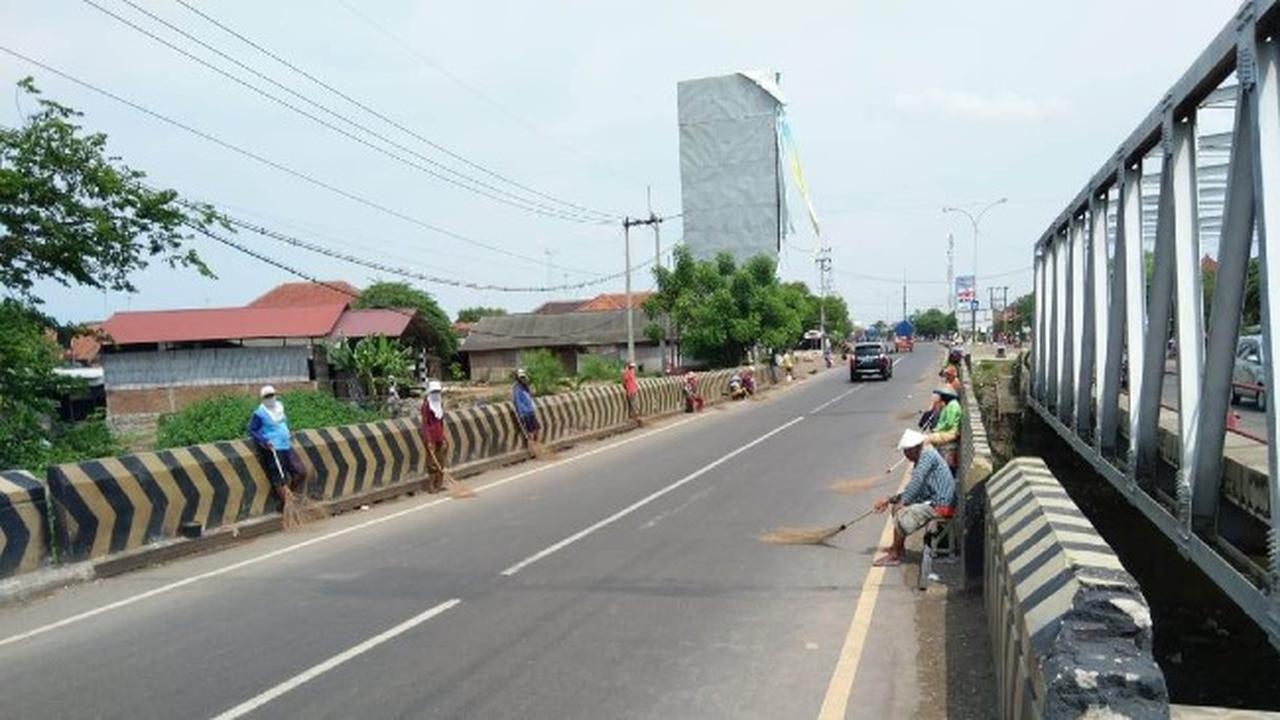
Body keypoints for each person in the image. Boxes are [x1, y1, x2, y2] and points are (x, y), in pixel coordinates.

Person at [872, 430, 957, 567]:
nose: (906, 455)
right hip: (933, 500)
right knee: (897, 507)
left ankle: (895, 554)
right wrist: (890, 500)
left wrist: (903, 502)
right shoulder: (922, 458)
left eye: (907, 451)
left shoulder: (927, 456)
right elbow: (918, 491)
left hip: (941, 504)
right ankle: (898, 548)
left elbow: (916, 482)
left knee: (901, 512)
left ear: (915, 448)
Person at [247, 385, 305, 509]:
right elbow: (252, 429)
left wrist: (289, 432)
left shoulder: (279, 407)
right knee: (279, 479)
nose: (270, 399)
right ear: (262, 398)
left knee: (300, 472)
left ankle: (286, 499)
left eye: (271, 395)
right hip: (273, 448)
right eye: (267, 397)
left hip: (286, 445)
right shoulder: (259, 413)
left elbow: (284, 422)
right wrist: (264, 440)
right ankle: (287, 505)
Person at [419, 380, 448, 493]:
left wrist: (444, 436)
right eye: (434, 391)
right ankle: (431, 486)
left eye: (438, 391)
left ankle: (439, 484)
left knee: (440, 461)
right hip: (430, 437)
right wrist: (428, 440)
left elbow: (440, 421)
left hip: (439, 436)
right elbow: (425, 424)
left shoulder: (439, 403)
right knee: (432, 463)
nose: (436, 394)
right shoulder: (426, 406)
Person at [926, 386, 963, 473]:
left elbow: (949, 423)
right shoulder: (949, 405)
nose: (941, 397)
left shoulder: (953, 406)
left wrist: (937, 430)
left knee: (926, 440)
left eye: (942, 396)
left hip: (950, 432)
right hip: (946, 431)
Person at [512, 368, 540, 443]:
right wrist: (521, 413)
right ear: (518, 378)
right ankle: (532, 449)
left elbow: (529, 398)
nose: (523, 379)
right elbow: (517, 401)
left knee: (536, 430)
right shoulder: (517, 389)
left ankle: (536, 445)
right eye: (521, 377)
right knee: (529, 433)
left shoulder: (525, 387)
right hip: (525, 413)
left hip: (531, 411)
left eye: (523, 377)